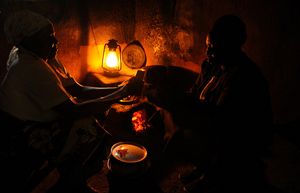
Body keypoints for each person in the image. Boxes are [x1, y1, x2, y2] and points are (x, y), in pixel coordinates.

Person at [0, 10, 142, 192]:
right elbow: (72, 110)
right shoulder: (29, 66)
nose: (56, 42)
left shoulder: (44, 56)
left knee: (93, 116)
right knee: (90, 130)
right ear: (29, 41)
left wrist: (119, 89)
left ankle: (74, 179)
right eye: (49, 37)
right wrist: (119, 94)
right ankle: (67, 186)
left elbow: (77, 89)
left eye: (54, 35)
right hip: (21, 131)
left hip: (36, 120)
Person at [147, 15, 274, 193]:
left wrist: (183, 116)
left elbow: (220, 121)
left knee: (182, 135)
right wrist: (168, 100)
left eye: (213, 47)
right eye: (207, 45)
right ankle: (205, 167)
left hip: (237, 137)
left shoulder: (242, 75)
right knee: (166, 114)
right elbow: (193, 93)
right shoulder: (210, 65)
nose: (207, 52)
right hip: (213, 124)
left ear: (231, 47)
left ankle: (214, 176)